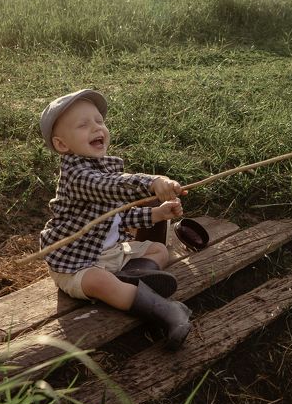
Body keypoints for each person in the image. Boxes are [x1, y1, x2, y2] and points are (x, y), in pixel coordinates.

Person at [38, 88, 192, 350]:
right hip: (77, 263)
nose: (96, 128)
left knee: (159, 250)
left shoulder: (104, 167)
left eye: (99, 121)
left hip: (111, 254)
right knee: (99, 281)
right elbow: (112, 186)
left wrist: (157, 213)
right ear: (62, 145)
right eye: (83, 125)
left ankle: (131, 278)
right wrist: (152, 182)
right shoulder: (78, 176)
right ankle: (167, 311)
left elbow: (118, 216)